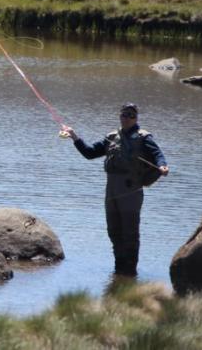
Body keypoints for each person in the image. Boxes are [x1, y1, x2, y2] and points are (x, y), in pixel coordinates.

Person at [61, 103, 169, 276]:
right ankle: (119, 270)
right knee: (113, 231)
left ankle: (130, 270)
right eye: (124, 114)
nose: (127, 118)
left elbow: (158, 154)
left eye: (131, 115)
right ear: (120, 116)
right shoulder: (112, 136)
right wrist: (74, 136)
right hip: (111, 189)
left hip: (131, 189)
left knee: (130, 232)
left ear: (136, 118)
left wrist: (162, 166)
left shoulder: (144, 137)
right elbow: (89, 153)